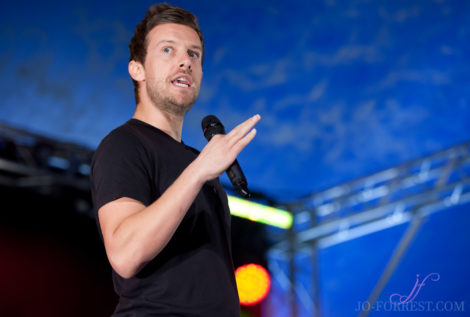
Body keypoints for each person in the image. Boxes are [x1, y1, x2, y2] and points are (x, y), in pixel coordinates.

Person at [90, 3, 260, 316]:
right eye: (168, 50)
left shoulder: (198, 162)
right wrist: (198, 172)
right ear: (137, 69)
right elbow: (126, 254)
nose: (185, 61)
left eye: (194, 54)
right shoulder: (123, 145)